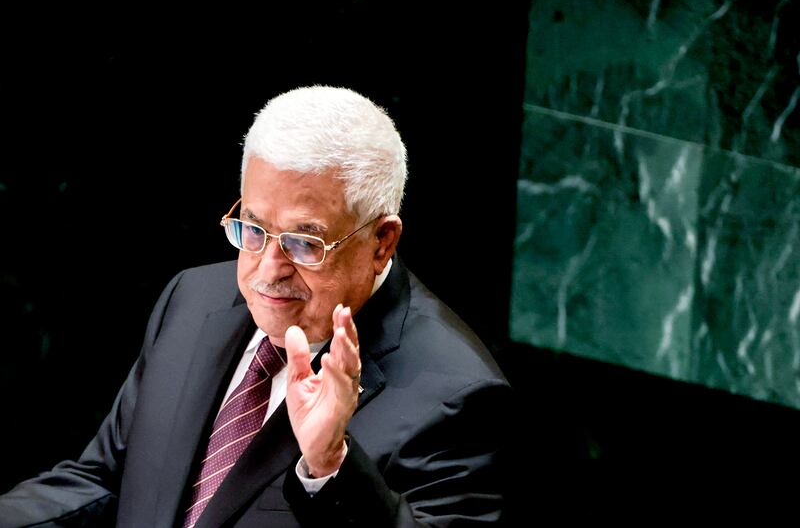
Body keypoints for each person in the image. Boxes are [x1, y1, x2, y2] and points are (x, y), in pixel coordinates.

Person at [0, 86, 512, 527]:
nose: (267, 270)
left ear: (382, 241)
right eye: (253, 227)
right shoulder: (192, 299)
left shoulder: (457, 399)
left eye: (304, 243)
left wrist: (331, 467)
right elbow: (106, 482)